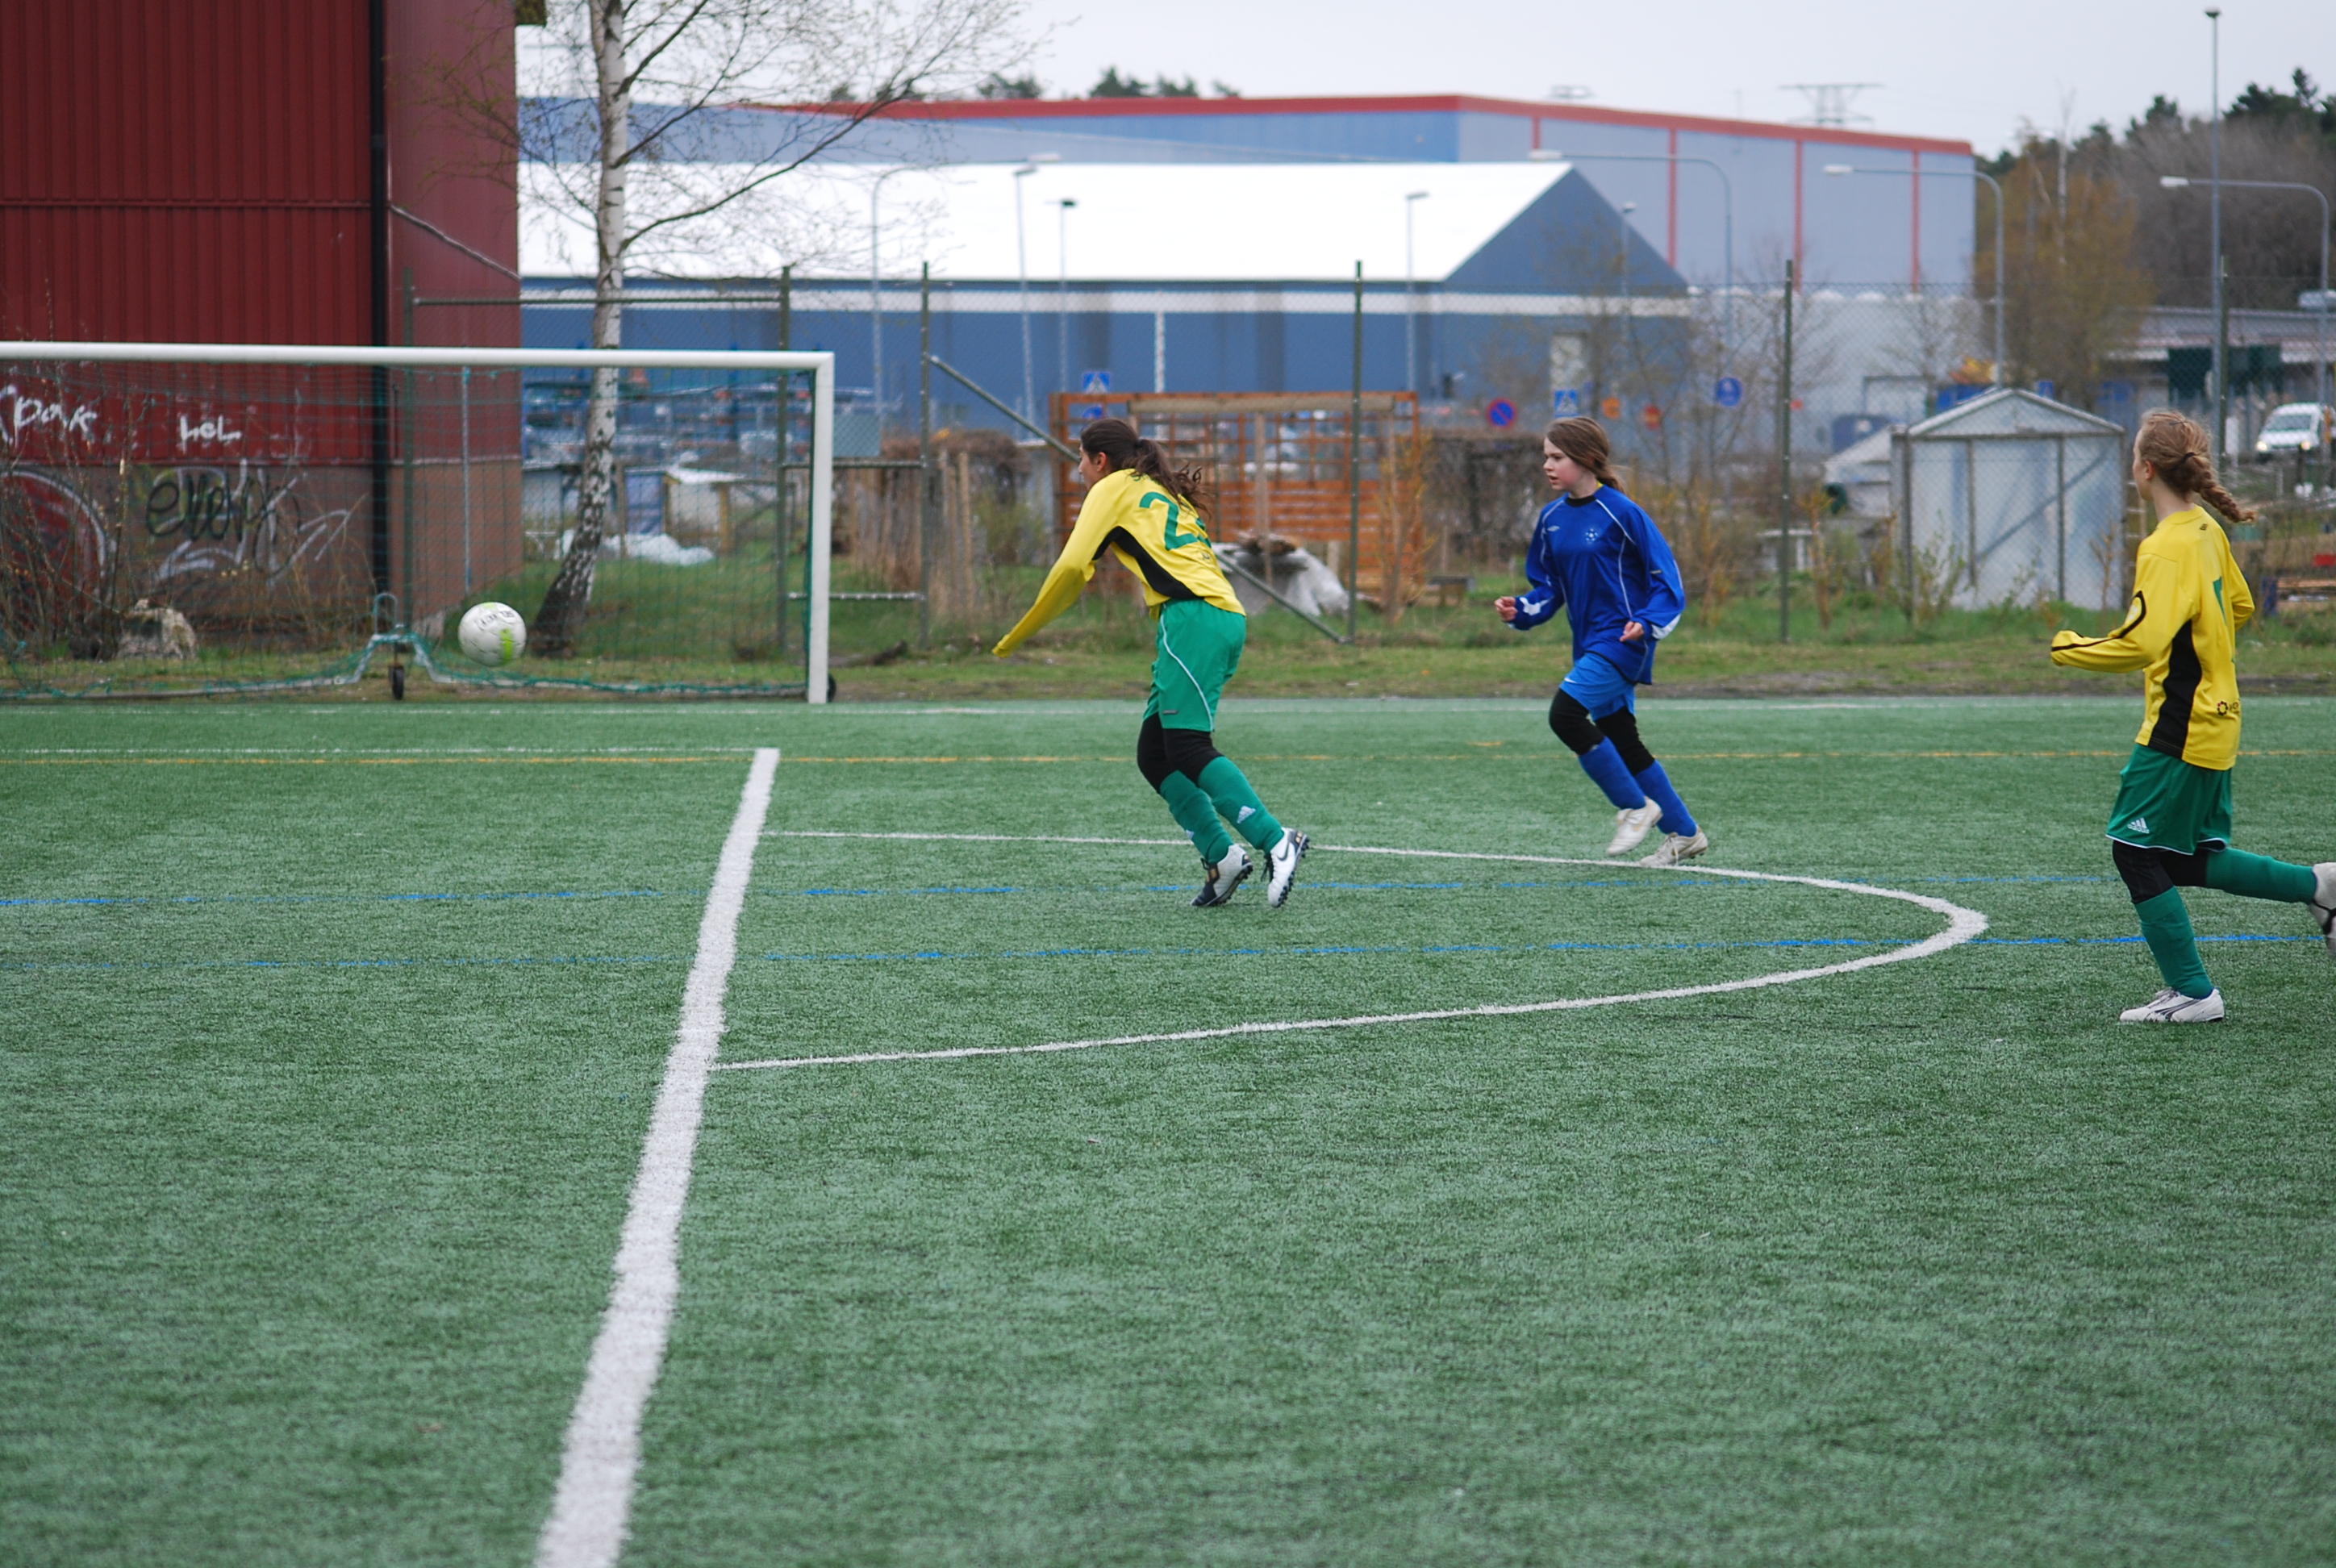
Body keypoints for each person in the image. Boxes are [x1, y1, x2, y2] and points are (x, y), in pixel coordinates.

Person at [2050, 408, 2336, 1023]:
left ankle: (2195, 993)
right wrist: (2207, 653)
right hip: (2218, 717)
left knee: (2133, 850)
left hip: (2179, 726)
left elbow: (2142, 643)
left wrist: (2068, 648)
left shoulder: (2166, 546)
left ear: (2146, 470)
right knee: (2177, 857)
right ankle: (2319, 886)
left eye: (2134, 455)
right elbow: (2241, 606)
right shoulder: (2206, 528)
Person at [993, 418, 1308, 907]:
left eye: (1081, 460)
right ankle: (1222, 858)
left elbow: (1073, 565)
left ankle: (1275, 839)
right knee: (1156, 754)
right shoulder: (1158, 488)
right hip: (1213, 617)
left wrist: (1022, 630)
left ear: (1101, 460)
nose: (1079, 471)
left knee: (1187, 747)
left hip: (1195, 619)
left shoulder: (1112, 487)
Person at [1495, 417, 1708, 865]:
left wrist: (1646, 622)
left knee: (1565, 715)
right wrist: (1521, 609)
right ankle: (1685, 834)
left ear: (1587, 459)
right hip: (1590, 643)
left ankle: (1635, 807)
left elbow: (1666, 581)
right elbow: (1549, 588)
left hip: (1623, 640)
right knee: (1623, 740)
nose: (1548, 466)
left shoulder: (1623, 513)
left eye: (1557, 457)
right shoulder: (1551, 518)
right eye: (1546, 457)